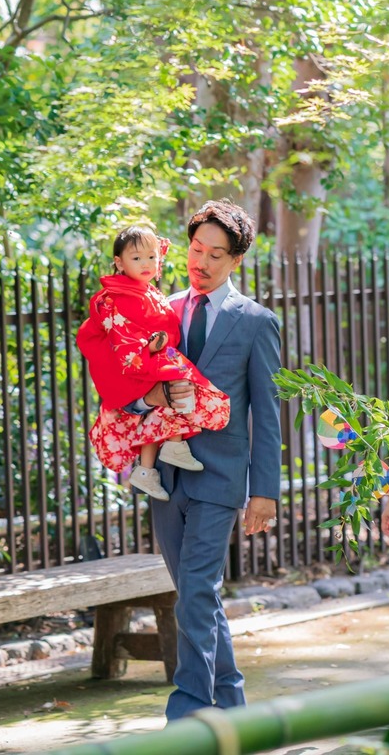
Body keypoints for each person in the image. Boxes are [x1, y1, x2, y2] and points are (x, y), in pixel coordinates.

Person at [131, 200, 282, 721]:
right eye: (197, 249)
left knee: (197, 588)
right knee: (196, 595)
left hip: (219, 476)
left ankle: (188, 712)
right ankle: (234, 705)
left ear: (235, 261)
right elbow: (126, 383)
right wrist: (143, 400)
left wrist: (263, 492)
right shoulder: (159, 309)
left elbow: (267, 414)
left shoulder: (256, 322)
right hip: (163, 476)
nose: (203, 262)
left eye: (217, 255)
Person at [76, 225, 230, 502]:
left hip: (149, 356)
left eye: (151, 257)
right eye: (136, 258)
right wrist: (150, 348)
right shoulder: (114, 298)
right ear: (119, 262)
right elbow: (124, 340)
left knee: (167, 395)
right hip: (131, 365)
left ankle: (152, 465)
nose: (146, 264)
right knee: (178, 384)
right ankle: (172, 444)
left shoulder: (147, 293)